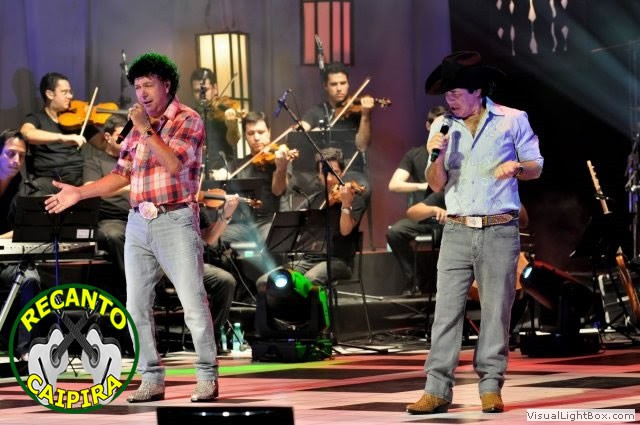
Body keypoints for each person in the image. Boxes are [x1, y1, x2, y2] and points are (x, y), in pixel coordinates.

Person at [45, 52, 219, 403]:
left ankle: (206, 375)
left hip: (175, 218)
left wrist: (145, 128)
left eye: (148, 85)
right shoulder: (136, 129)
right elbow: (120, 174)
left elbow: (173, 164)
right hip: (138, 220)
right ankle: (150, 376)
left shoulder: (188, 119)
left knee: (192, 302)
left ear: (166, 85)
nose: (142, 93)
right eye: (137, 87)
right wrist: (79, 193)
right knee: (136, 305)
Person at [406, 51, 543, 415]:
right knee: (446, 312)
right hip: (456, 229)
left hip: (499, 229)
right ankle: (436, 389)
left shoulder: (512, 119)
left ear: (477, 91)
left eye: (455, 92)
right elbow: (436, 184)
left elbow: (536, 167)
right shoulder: (442, 127)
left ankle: (490, 386)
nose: (449, 99)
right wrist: (437, 157)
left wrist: (517, 168)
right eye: (446, 93)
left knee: (496, 311)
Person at [258, 147, 366, 287]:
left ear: (343, 172)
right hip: (309, 260)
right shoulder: (314, 199)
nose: (329, 178)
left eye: (334, 172)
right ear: (319, 174)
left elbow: (345, 231)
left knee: (309, 280)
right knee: (265, 282)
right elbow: (292, 227)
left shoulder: (353, 198)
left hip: (338, 261)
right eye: (325, 173)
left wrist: (345, 204)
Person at [386, 105, 447, 296]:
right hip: (423, 216)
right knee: (395, 232)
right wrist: (423, 186)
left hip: (449, 215)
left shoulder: (453, 153)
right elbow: (394, 184)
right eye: (437, 125)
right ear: (428, 126)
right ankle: (414, 281)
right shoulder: (414, 154)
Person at [220, 111, 291, 246]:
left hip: (270, 220)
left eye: (261, 132)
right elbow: (221, 175)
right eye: (251, 133)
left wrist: (281, 168)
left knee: (268, 241)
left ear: (269, 132)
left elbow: (278, 190)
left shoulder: (280, 159)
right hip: (244, 225)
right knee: (216, 239)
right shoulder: (238, 164)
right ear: (245, 136)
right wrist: (219, 173)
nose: (256, 138)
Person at [0, 129, 41, 361]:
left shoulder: (26, 189)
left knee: (30, 279)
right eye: (10, 153)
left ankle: (26, 350)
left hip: (9, 260)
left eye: (21, 156)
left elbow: (26, 229)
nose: (16, 160)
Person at [19, 72, 96, 194]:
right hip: (51, 179)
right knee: (35, 192)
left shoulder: (77, 119)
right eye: (64, 92)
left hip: (80, 177)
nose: (70, 96)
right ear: (50, 94)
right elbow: (26, 133)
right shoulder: (36, 118)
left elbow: (103, 143)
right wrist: (61, 137)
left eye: (70, 92)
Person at [83, 114, 129, 296]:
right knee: (114, 234)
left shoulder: (135, 162)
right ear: (108, 137)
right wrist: (126, 188)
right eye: (121, 135)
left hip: (138, 217)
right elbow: (90, 189)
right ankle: (131, 292)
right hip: (110, 220)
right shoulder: (95, 162)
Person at [300, 62, 374, 176]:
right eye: (334, 84)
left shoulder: (358, 112)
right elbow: (297, 132)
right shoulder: (317, 111)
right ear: (326, 86)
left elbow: (362, 146)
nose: (339, 88)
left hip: (352, 169)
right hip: (324, 170)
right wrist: (312, 133)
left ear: (348, 84)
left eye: (343, 83)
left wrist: (365, 116)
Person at [190, 68, 241, 177]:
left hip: (225, 171)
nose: (202, 95)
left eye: (205, 90)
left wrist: (232, 127)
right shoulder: (190, 117)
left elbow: (233, 141)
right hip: (200, 174)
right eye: (197, 91)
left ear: (215, 88)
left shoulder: (224, 112)